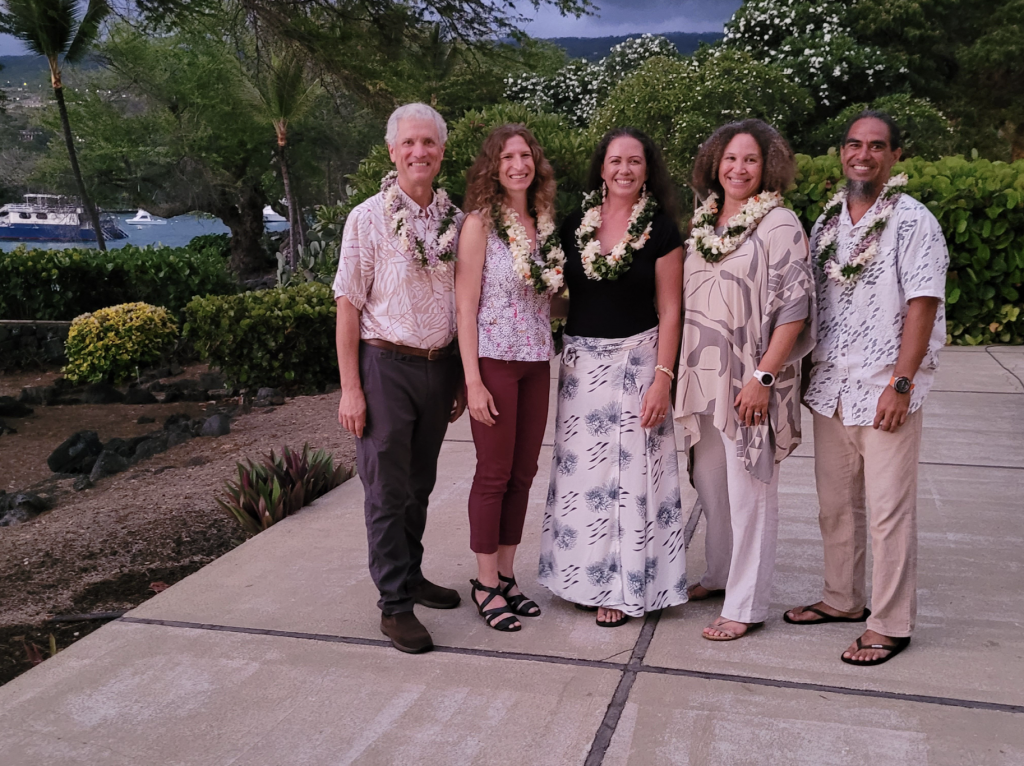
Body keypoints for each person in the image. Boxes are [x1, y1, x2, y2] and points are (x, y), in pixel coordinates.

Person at [784, 111, 948, 666]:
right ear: (841, 152)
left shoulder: (914, 220)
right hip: (831, 385)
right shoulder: (827, 221)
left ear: (896, 156)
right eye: (854, 144)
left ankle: (891, 624)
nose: (863, 154)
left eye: (877, 146)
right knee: (836, 507)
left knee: (887, 513)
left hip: (884, 387)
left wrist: (901, 383)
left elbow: (923, 303)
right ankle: (842, 599)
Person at [537, 127, 686, 628]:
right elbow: (565, 298)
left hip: (638, 363)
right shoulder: (573, 225)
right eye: (616, 160)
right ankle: (582, 579)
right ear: (601, 168)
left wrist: (662, 378)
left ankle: (623, 588)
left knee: (628, 479)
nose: (625, 169)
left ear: (647, 171)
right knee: (585, 478)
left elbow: (671, 309)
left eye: (635, 161)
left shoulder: (661, 230)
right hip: (581, 367)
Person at [675, 119, 815, 641]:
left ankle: (746, 605)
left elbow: (795, 308)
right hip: (702, 375)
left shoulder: (779, 223)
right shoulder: (704, 220)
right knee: (712, 485)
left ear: (767, 166)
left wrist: (763, 376)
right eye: (730, 158)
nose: (739, 168)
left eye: (750, 159)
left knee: (750, 490)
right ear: (715, 163)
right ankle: (718, 574)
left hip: (748, 378)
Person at [334, 103, 466, 654]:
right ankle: (394, 605)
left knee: (418, 485)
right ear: (392, 151)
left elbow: (466, 304)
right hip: (385, 366)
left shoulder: (457, 222)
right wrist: (351, 388)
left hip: (439, 366)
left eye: (428, 142)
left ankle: (410, 574)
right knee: (386, 491)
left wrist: (462, 377)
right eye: (409, 142)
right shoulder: (367, 217)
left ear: (442, 151)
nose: (419, 152)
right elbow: (347, 304)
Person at [455, 124, 564, 632]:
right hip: (494, 361)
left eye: (525, 155)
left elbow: (551, 297)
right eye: (507, 158)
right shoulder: (479, 224)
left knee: (523, 474)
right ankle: (483, 583)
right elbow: (465, 306)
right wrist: (472, 381)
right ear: (493, 168)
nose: (518, 165)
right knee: (493, 474)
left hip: (537, 361)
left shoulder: (544, 225)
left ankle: (505, 574)